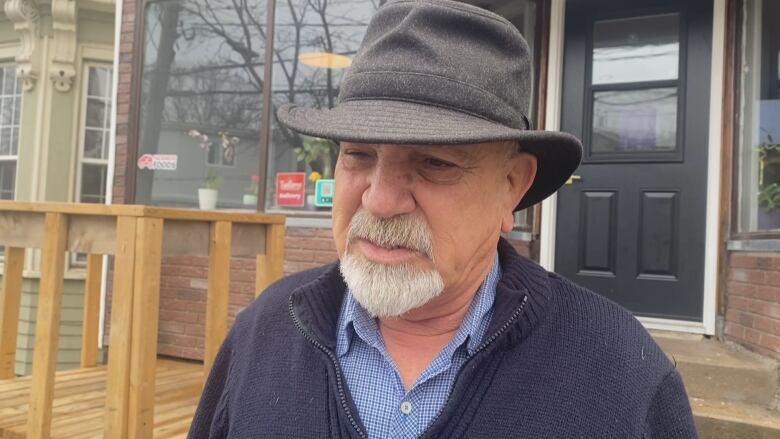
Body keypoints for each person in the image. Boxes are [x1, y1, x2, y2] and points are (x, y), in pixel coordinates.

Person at [188, 0, 697, 437]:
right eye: (359, 155)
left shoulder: (618, 374)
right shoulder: (265, 333)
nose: (381, 202)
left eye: (435, 163)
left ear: (512, 187)